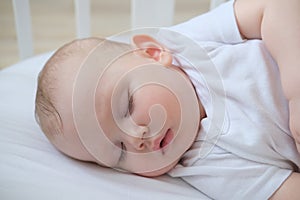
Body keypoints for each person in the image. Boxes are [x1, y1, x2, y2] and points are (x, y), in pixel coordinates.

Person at [35, 0, 300, 199]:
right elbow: (283, 191)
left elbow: (278, 6)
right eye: (119, 151)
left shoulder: (186, 44)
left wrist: (295, 92)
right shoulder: (202, 167)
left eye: (126, 106)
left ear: (152, 53)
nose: (136, 138)